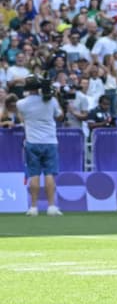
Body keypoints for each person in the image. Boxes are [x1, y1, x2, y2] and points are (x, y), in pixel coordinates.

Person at [16, 76, 64, 216]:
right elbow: (60, 116)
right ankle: (51, 207)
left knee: (34, 174)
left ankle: (33, 207)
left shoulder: (21, 103)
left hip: (32, 141)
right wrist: (55, 97)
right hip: (50, 141)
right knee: (49, 174)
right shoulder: (51, 101)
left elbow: (22, 118)